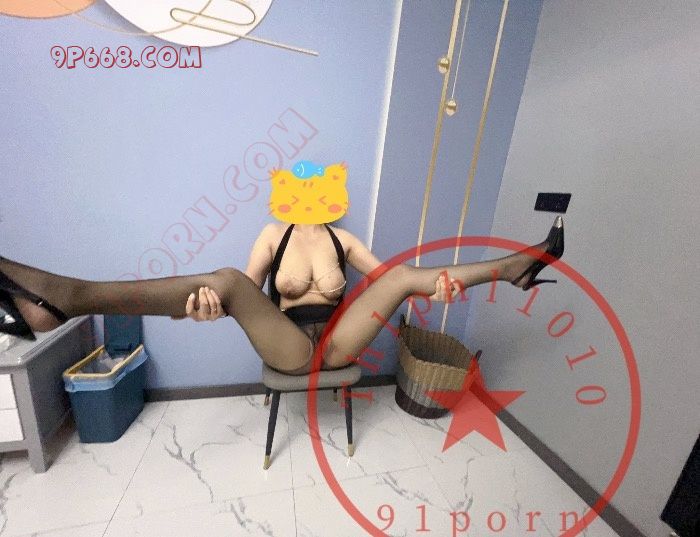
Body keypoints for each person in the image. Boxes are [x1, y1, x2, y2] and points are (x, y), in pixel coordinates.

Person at [0, 216, 563, 374]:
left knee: (401, 277)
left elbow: (394, 277)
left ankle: (513, 269)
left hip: (338, 342)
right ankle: (70, 297)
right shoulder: (275, 234)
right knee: (225, 279)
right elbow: (244, 291)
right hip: (289, 345)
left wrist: (429, 288)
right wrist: (212, 308)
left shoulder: (343, 238)